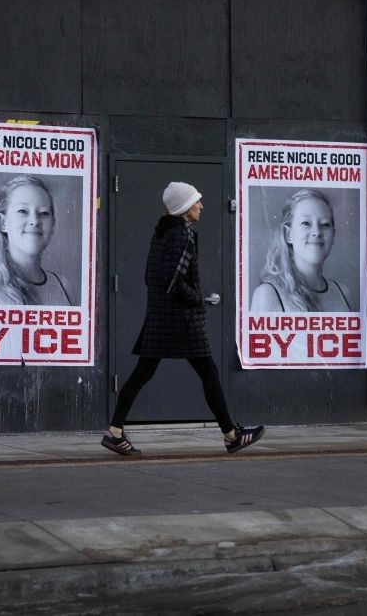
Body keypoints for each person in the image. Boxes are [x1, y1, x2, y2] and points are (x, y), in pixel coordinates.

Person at [102, 181, 265, 456]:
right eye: (196, 202)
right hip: (182, 319)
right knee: (208, 372)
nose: (201, 206)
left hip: (160, 317)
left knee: (143, 373)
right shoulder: (183, 235)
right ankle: (231, 436)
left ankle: (115, 432)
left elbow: (151, 277)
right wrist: (197, 299)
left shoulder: (162, 233)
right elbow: (173, 281)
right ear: (184, 208)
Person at [0, 174, 73, 306]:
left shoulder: (64, 287)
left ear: (53, 224)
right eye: (23, 211)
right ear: (3, 223)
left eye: (43, 213)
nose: (35, 221)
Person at [249, 188, 353, 313]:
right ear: (288, 234)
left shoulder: (344, 294)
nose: (316, 232)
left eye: (325, 224)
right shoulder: (268, 295)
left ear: (333, 235)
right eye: (306, 223)